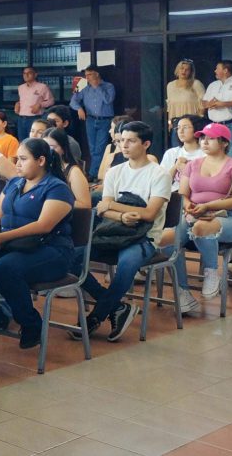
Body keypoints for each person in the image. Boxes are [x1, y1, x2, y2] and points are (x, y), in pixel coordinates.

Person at [0, 138, 75, 349]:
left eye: (23, 159)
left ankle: (30, 322)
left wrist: (3, 238)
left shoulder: (57, 188)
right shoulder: (14, 183)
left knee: (4, 269)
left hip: (50, 250)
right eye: (17, 159)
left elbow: (44, 225)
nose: (17, 164)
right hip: (12, 245)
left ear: (41, 160)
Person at [77, 121, 171, 341]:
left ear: (146, 143)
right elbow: (101, 208)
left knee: (127, 264)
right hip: (113, 232)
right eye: (121, 141)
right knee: (73, 257)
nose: (124, 145)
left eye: (131, 141)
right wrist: (119, 215)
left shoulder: (159, 174)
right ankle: (116, 306)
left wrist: (112, 206)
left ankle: (96, 316)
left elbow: (148, 214)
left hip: (144, 238)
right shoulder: (115, 172)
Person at [168, 122, 232, 306]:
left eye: (211, 139)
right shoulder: (192, 165)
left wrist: (207, 206)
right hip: (194, 213)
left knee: (201, 227)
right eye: (202, 138)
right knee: (167, 239)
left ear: (224, 143)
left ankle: (211, 272)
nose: (204, 142)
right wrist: (188, 205)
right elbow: (183, 194)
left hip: (228, 217)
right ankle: (183, 291)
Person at [70, 65, 116, 175]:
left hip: (104, 120)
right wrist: (79, 108)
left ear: (97, 74)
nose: (87, 77)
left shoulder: (108, 86)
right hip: (90, 120)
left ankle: (93, 173)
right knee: (92, 149)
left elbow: (108, 100)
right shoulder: (84, 87)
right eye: (86, 75)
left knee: (100, 149)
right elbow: (73, 101)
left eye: (89, 74)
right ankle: (97, 172)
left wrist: (97, 87)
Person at [202, 59, 232, 158]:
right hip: (214, 124)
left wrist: (222, 104)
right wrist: (209, 104)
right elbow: (204, 102)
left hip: (231, 124)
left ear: (225, 70)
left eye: (217, 68)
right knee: (214, 152)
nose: (215, 71)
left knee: (230, 153)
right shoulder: (213, 85)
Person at [45, 128, 91, 209]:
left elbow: (85, 205)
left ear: (63, 149)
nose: (47, 152)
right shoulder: (42, 167)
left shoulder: (74, 172)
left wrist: (54, 201)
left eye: (52, 148)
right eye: (44, 147)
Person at [166, 59, 205, 146]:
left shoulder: (196, 84)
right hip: (176, 122)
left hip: (192, 122)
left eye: (187, 69)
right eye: (182, 68)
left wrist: (199, 119)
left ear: (191, 72)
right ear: (177, 70)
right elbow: (170, 106)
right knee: (177, 147)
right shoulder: (170, 85)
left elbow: (203, 103)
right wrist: (169, 123)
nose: (184, 71)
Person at [14, 66, 54, 140]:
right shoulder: (20, 87)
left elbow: (51, 101)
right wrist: (17, 104)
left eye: (29, 73)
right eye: (24, 73)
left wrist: (40, 105)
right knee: (22, 141)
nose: (26, 75)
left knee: (35, 141)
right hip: (21, 118)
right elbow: (22, 100)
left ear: (35, 75)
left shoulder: (42, 87)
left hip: (35, 118)